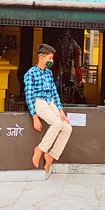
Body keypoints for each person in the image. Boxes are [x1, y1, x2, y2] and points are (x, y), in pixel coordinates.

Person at [24, 43, 72, 173]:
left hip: (50, 102)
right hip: (39, 102)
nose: (52, 61)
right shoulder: (30, 74)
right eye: (50, 58)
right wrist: (35, 117)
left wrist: (60, 110)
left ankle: (51, 155)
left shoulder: (49, 73)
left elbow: (54, 92)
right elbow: (28, 97)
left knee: (67, 128)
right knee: (56, 124)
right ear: (41, 58)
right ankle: (40, 149)